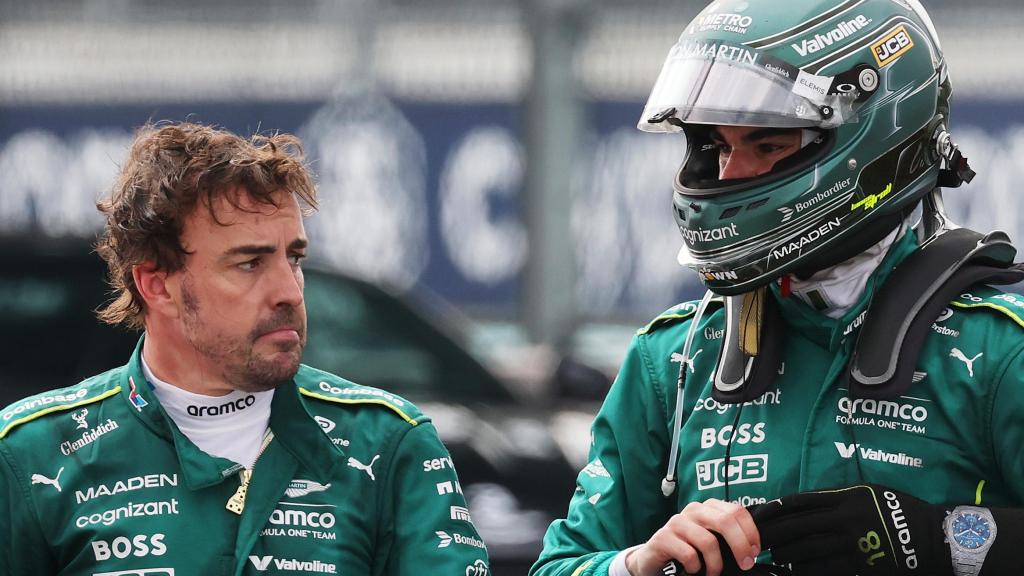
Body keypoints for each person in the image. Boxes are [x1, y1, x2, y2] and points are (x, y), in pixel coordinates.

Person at [533, 1, 1024, 575]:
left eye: (768, 146)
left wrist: (943, 542)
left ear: (871, 142)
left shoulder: (999, 352)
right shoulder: (673, 360)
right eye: (719, 146)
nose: (728, 175)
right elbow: (559, 565)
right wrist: (640, 564)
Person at [0, 122, 489, 575]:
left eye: (293, 259)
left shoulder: (387, 444)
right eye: (250, 264)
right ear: (157, 285)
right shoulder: (30, 456)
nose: (290, 292)